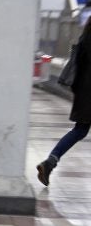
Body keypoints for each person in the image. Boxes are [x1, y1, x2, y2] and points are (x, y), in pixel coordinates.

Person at [36, 16, 91, 186]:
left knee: (80, 130)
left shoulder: (87, 33)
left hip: (84, 90)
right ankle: (50, 162)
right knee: (80, 130)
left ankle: (50, 162)